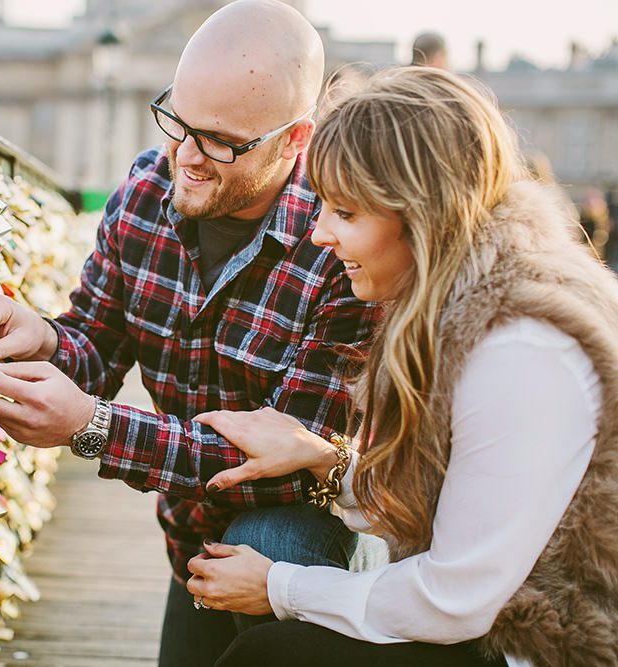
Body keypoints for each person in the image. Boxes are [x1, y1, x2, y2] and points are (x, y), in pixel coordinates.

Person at [0, 1, 381, 663]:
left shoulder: (341, 247)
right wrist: (41, 337)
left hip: (290, 553)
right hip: (185, 531)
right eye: (176, 120)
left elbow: (292, 469)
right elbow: (93, 351)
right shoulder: (142, 195)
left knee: (277, 533)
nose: (185, 156)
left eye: (218, 139)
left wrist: (92, 425)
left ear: (294, 140)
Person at [185, 67, 618, 666]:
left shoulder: (519, 346)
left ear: (421, 215)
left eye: (345, 213)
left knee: (268, 653)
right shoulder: (467, 303)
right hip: (496, 617)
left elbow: (455, 597)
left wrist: (280, 588)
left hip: (543, 646)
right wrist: (327, 461)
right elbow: (455, 509)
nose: (319, 235)